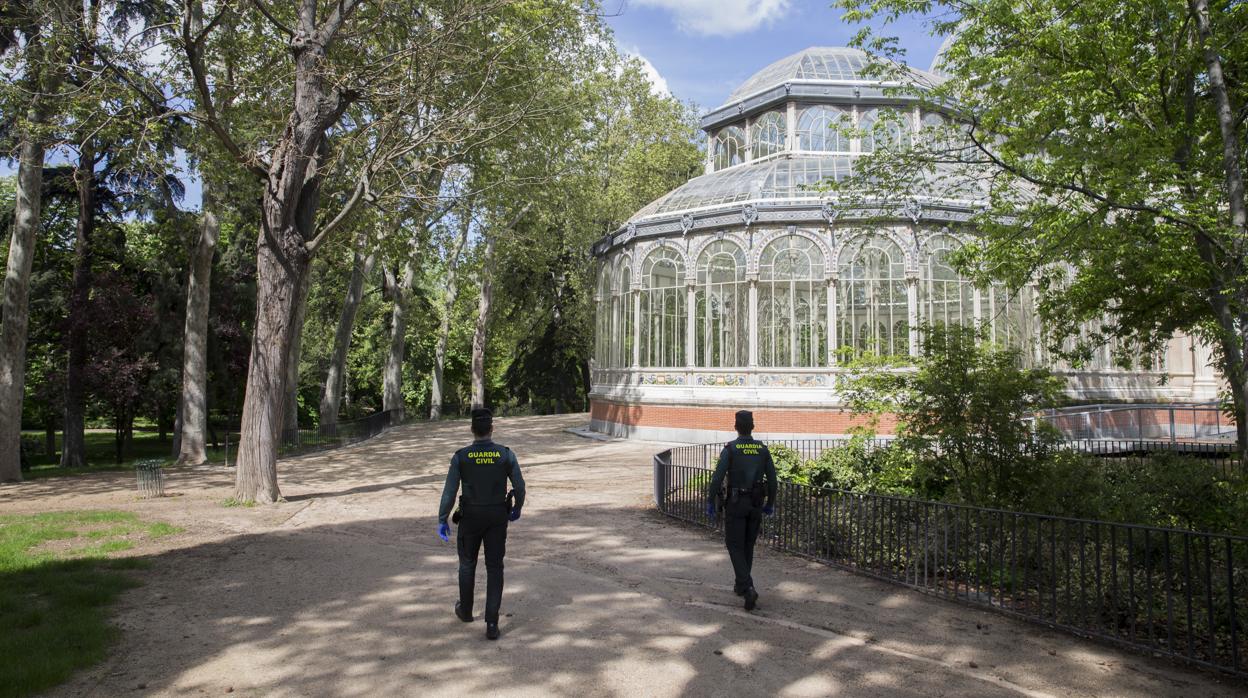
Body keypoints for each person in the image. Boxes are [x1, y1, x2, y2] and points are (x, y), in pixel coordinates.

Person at [437, 408, 526, 640]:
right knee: (495, 567)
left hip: (470, 516)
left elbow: (449, 491)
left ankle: (465, 611)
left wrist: (442, 518)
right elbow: (520, 486)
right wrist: (517, 508)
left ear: (471, 430)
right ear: (492, 429)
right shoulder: (505, 454)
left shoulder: (461, 456)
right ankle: (492, 623)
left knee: (467, 564)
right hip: (497, 516)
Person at [706, 410, 776, 611]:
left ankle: (748, 587)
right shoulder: (762, 450)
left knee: (734, 545)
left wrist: (710, 501)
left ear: (735, 427)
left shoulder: (731, 449)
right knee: (747, 545)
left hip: (736, 503)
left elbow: (717, 478)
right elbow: (772, 480)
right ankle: (740, 584)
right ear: (752, 427)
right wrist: (770, 502)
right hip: (756, 502)